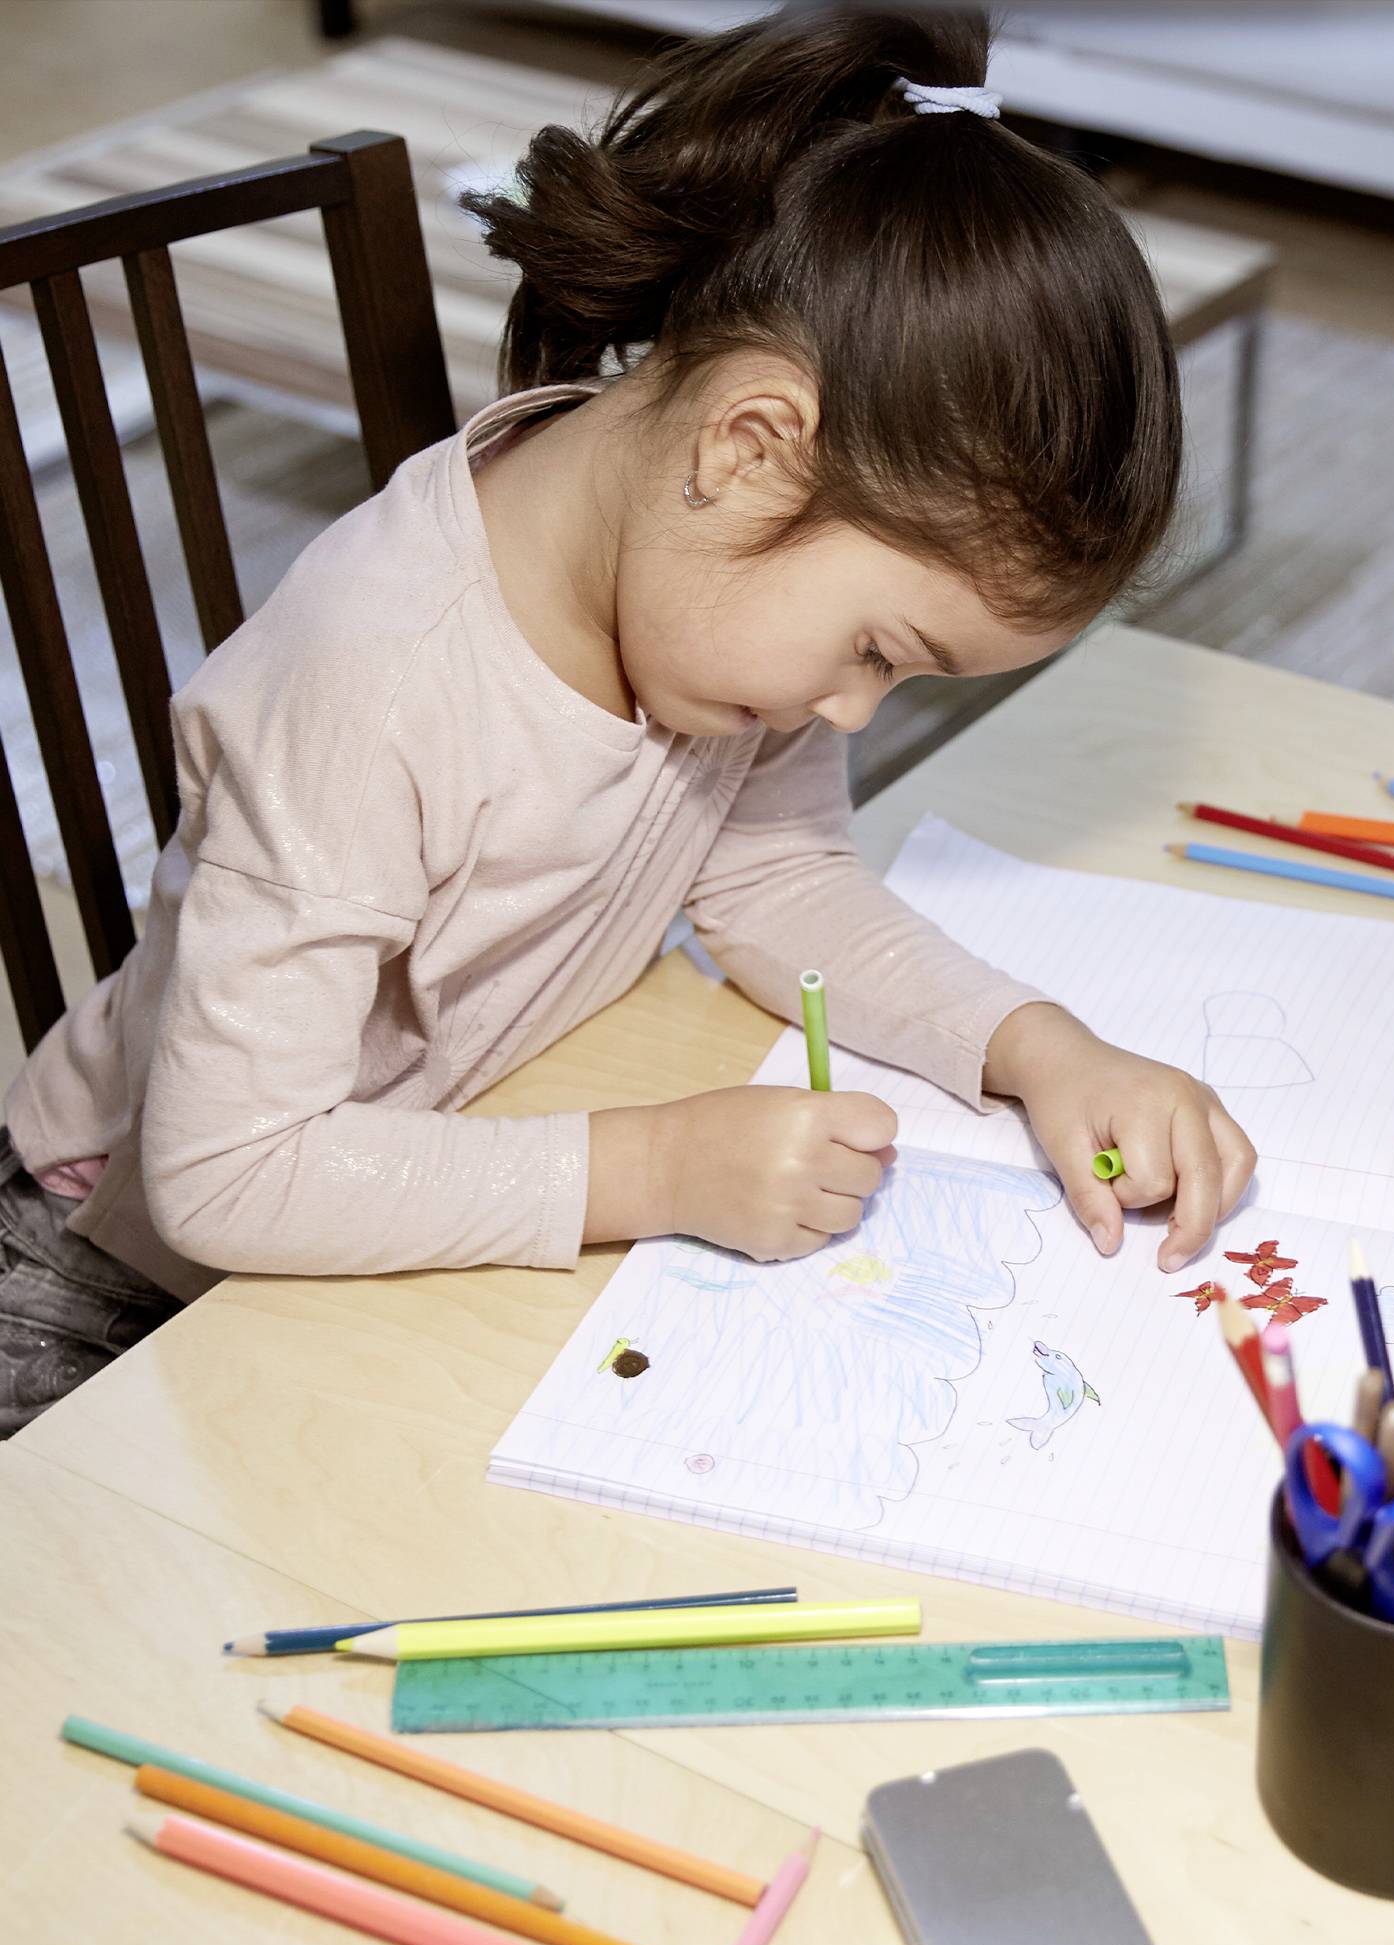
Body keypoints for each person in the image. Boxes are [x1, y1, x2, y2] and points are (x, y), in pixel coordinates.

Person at [0, 8, 1255, 1435]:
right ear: (751, 445)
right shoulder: (378, 684)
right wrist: (652, 1172)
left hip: (443, 1150)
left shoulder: (710, 585)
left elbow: (776, 882)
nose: (850, 707)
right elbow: (226, 1173)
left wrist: (1040, 1048)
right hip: (124, 1274)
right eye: (877, 650)